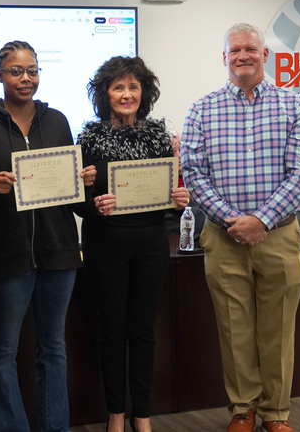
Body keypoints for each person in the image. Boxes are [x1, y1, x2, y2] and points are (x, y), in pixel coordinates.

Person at [181, 23, 300, 432]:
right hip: (224, 240)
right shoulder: (201, 109)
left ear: (265, 55)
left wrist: (261, 220)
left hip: (278, 236)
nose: (243, 55)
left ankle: (277, 414)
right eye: (235, 50)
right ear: (224, 58)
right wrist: (232, 221)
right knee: (234, 328)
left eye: (251, 49)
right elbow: (193, 173)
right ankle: (243, 410)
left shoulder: (295, 107)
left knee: (278, 332)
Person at [0, 40, 96, 432]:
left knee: (53, 349)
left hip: (59, 253)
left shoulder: (57, 122)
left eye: (33, 70)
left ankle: (56, 428)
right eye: (17, 71)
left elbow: (69, 193)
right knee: (3, 351)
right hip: (7, 255)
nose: (26, 78)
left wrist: (82, 180)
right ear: (0, 74)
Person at [77, 56, 190, 432]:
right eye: (118, 87)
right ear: (105, 93)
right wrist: (93, 203)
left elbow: (169, 195)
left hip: (149, 245)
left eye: (134, 87)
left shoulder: (161, 137)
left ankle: (142, 416)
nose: (127, 95)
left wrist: (179, 200)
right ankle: (115, 415)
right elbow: (76, 202)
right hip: (104, 246)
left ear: (144, 92)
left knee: (143, 331)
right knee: (111, 331)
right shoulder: (88, 138)